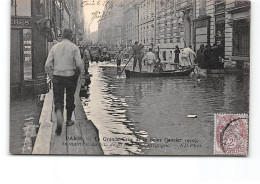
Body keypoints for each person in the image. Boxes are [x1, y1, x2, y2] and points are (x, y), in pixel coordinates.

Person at [45, 29, 83, 136]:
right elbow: (79, 65)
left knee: (58, 99)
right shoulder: (74, 47)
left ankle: (59, 115)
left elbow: (47, 65)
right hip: (70, 76)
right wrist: (77, 76)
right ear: (71, 37)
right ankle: (69, 120)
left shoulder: (54, 47)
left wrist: (52, 76)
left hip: (57, 76)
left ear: (62, 36)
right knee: (70, 98)